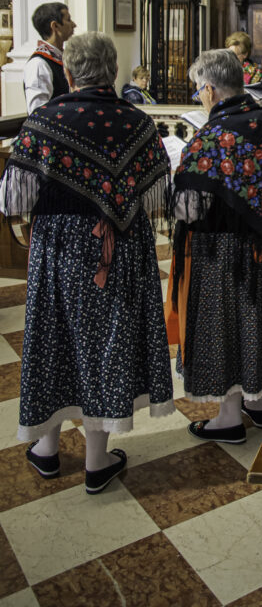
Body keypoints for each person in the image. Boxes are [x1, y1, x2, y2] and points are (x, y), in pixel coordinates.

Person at [0, 32, 173, 494]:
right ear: (113, 71)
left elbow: (12, 197)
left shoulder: (44, 121)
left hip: (59, 246)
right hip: (122, 245)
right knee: (106, 339)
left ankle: (47, 451)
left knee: (54, 336)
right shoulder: (136, 122)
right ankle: (98, 461)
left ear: (70, 74)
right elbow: (159, 190)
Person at [166, 49, 262, 443]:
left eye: (197, 90)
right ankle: (255, 403)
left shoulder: (211, 137)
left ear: (209, 90)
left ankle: (227, 418)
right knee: (255, 321)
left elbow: (187, 209)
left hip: (224, 254)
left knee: (225, 328)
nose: (198, 96)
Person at [23, 2, 76, 113]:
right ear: (55, 26)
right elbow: (37, 112)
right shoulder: (38, 64)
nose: (74, 24)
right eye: (68, 20)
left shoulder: (63, 57)